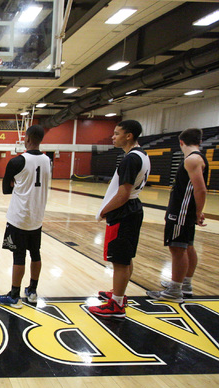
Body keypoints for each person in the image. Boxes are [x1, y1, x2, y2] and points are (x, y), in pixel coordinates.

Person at [89, 120, 151, 318]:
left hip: (124, 211)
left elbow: (123, 194)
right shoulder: (142, 155)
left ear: (129, 135)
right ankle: (119, 294)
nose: (113, 137)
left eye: (116, 134)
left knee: (120, 260)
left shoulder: (130, 159)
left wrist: (104, 211)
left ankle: (116, 305)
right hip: (133, 209)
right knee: (125, 257)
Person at [147, 128, 209, 302]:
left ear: (181, 142)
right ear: (200, 141)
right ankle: (185, 285)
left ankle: (174, 290)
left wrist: (197, 211)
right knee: (187, 246)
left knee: (177, 248)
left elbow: (201, 189)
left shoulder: (192, 159)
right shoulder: (198, 158)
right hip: (185, 210)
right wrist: (197, 210)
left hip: (181, 211)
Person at [0, 125, 51, 308]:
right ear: (41, 139)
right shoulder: (48, 161)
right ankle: (32, 291)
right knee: (35, 254)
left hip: (19, 216)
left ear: (26, 139)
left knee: (19, 256)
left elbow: (5, 189)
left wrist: (16, 184)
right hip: (37, 216)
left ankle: (14, 294)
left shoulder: (16, 162)